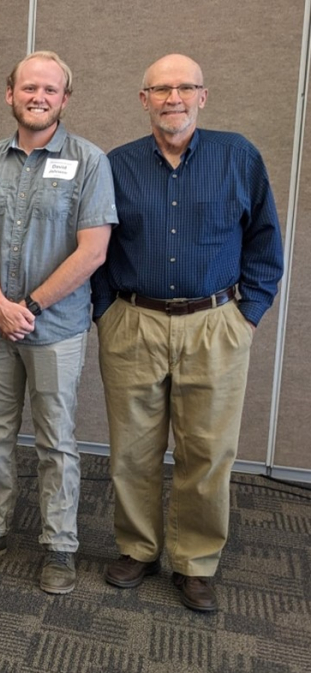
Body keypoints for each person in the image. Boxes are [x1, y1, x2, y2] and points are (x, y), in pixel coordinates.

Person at [93, 54, 284, 612]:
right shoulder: (116, 165)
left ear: (203, 95)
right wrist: (107, 311)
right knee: (132, 448)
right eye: (160, 89)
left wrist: (247, 315)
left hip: (215, 324)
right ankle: (137, 547)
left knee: (208, 451)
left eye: (185, 87)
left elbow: (265, 240)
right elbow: (96, 246)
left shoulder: (238, 156)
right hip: (133, 321)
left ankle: (195, 561)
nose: (172, 98)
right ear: (144, 99)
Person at [0, 51, 116, 595]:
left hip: (57, 327)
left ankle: (60, 546)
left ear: (64, 99)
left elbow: (93, 251)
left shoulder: (90, 161)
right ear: (10, 94)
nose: (38, 97)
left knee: (56, 440)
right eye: (29, 88)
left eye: (50, 90)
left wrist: (32, 306)